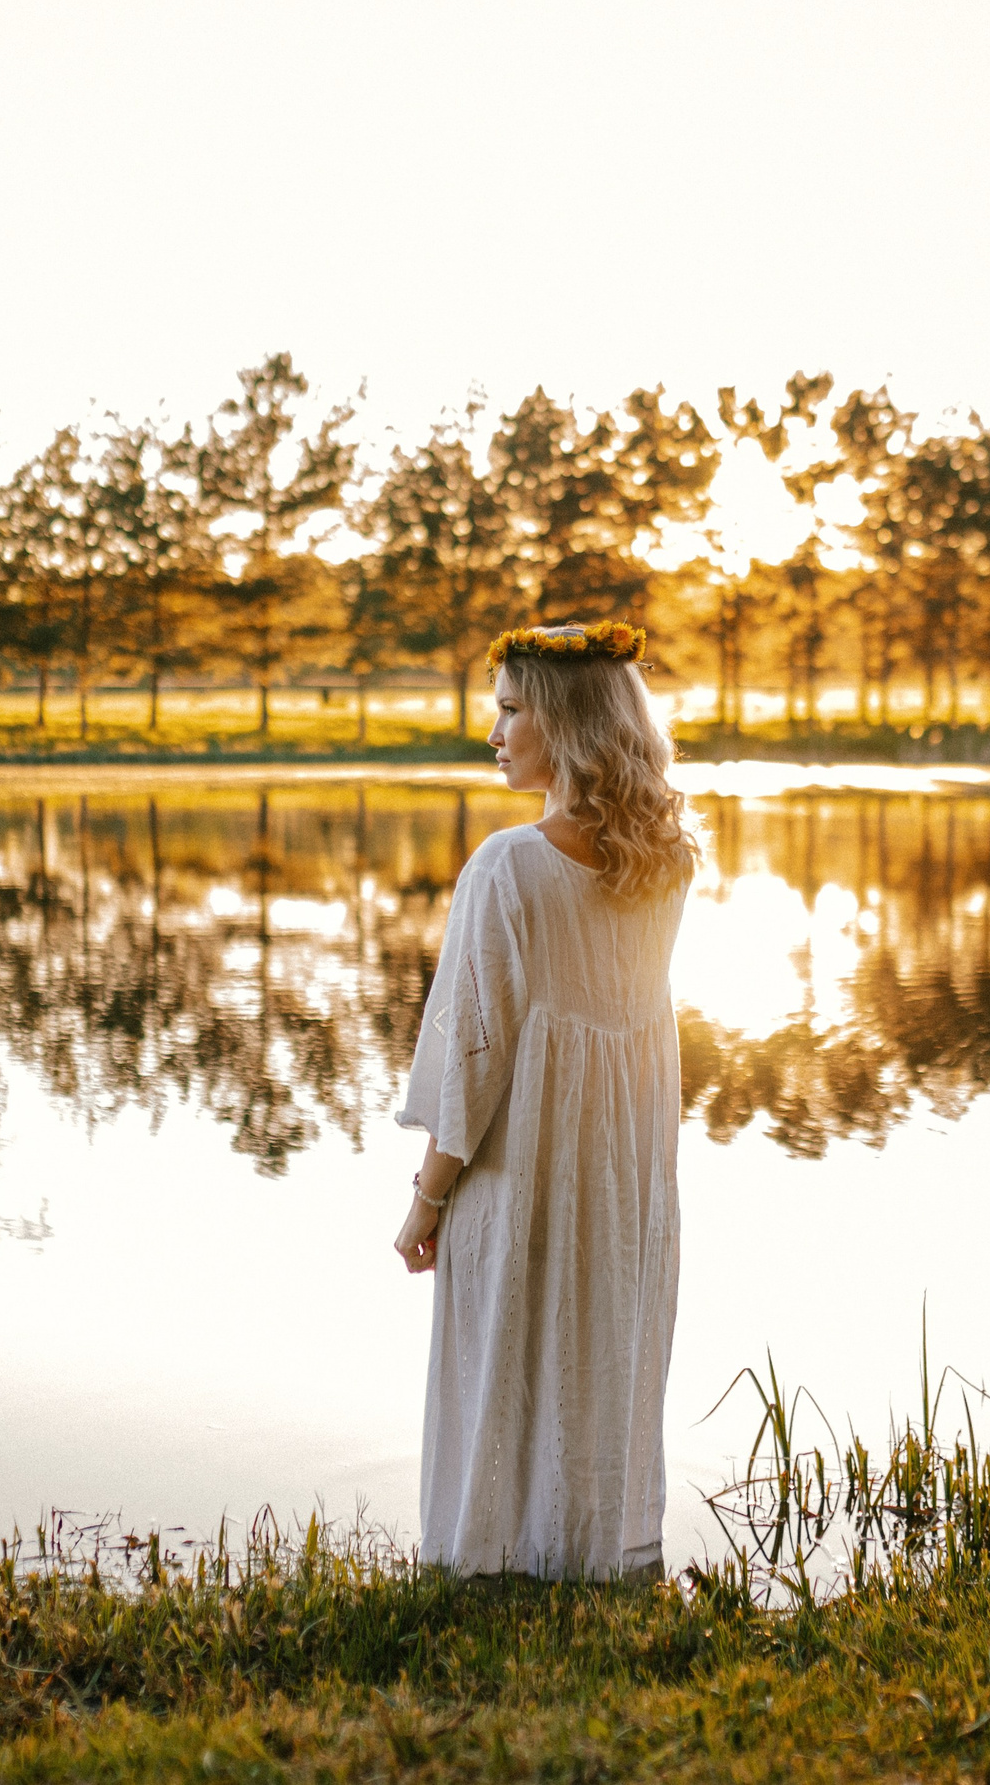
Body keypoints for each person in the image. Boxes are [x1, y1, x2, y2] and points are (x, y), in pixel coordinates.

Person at [392, 620, 700, 1582]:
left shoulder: (507, 867)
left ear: (563, 724)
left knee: (509, 1355)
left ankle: (486, 1561)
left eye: (512, 708)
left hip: (523, 1165)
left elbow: (471, 1065)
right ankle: (589, 1554)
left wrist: (427, 1197)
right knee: (596, 1350)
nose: (493, 730)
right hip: (623, 1166)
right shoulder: (669, 860)